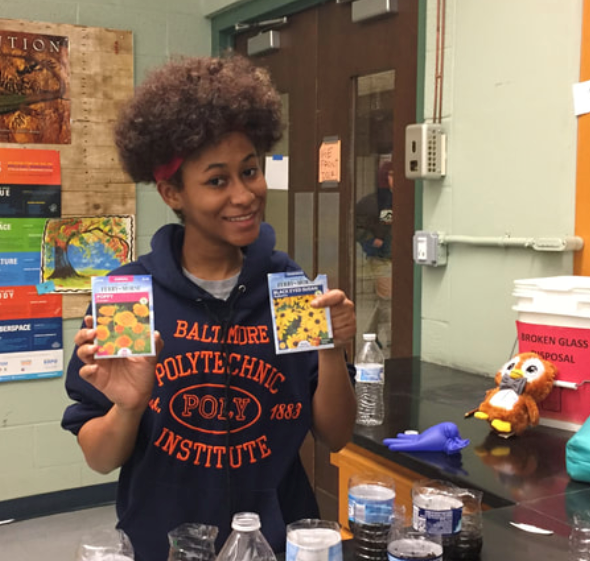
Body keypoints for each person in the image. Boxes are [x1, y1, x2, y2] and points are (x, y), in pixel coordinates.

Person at [61, 55, 358, 561]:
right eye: (217, 180)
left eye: (250, 171)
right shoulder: (129, 297)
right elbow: (99, 458)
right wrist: (130, 406)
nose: (244, 195)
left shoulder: (289, 288)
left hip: (271, 541)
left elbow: (336, 433)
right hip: (163, 543)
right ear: (173, 192)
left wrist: (330, 351)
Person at [354, 159, 393, 345]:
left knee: (386, 299)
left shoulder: (399, 200)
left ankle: (371, 334)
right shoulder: (372, 202)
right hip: (380, 258)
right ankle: (394, 339)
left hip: (398, 256)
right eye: (391, 175)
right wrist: (371, 240)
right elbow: (356, 226)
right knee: (388, 299)